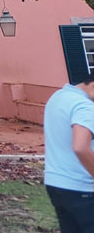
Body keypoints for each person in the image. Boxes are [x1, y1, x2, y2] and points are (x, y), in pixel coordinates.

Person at [45, 76, 94, 232]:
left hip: (55, 184)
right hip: (81, 188)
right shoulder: (85, 107)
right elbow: (80, 147)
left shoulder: (58, 97)